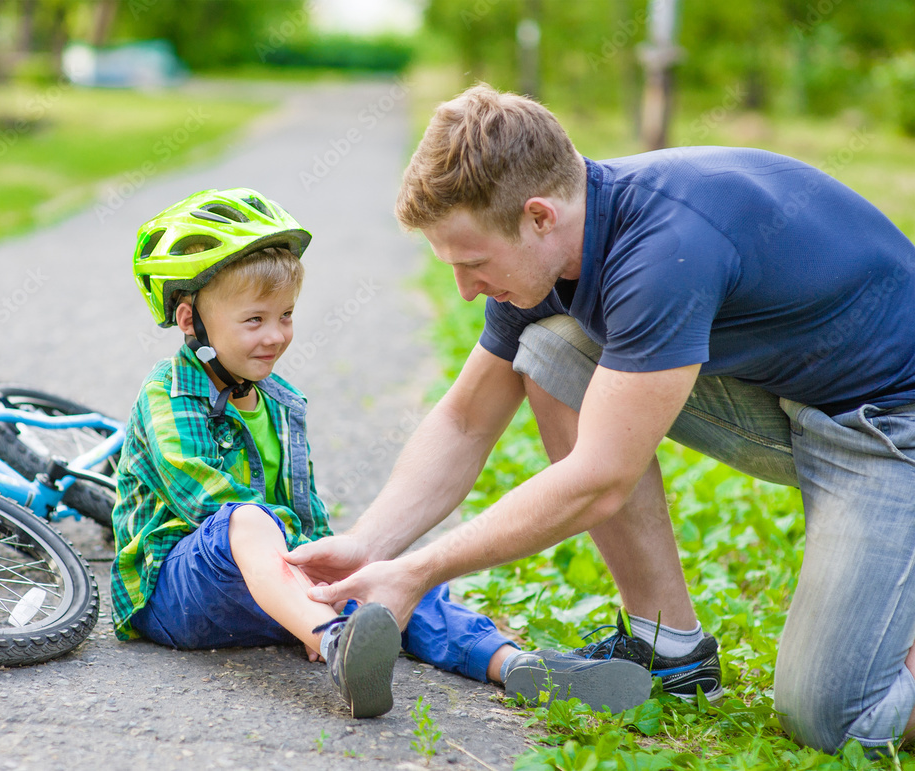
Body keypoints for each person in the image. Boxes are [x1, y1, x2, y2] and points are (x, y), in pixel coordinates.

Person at [285, 84, 915, 752]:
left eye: (472, 264)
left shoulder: (662, 250)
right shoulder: (552, 250)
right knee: (553, 347)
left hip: (888, 426)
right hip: (801, 400)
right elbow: (468, 420)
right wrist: (372, 544)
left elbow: (599, 478)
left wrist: (417, 571)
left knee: (837, 717)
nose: (466, 290)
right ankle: (667, 646)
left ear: (538, 217)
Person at [110, 187, 652, 719]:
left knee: (386, 577)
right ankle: (334, 642)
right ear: (190, 320)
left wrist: (333, 570)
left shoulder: (279, 401)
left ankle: (516, 666)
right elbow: (206, 499)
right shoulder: (169, 393)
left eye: (287, 316)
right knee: (247, 520)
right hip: (175, 594)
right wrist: (311, 583)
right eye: (254, 320)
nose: (275, 336)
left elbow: (302, 509)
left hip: (273, 589)